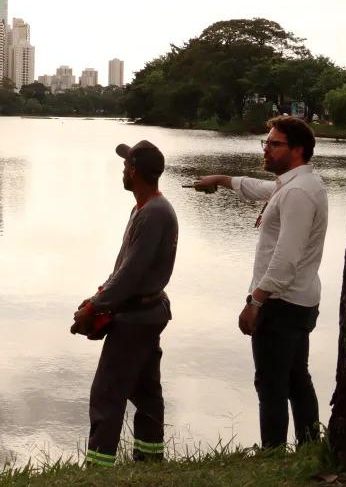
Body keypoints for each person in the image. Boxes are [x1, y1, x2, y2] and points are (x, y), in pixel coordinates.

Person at [193, 115, 328, 449]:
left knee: (271, 385)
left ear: (297, 150)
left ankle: (272, 455)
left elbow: (286, 258)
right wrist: (223, 179)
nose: (266, 149)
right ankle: (309, 449)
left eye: (274, 144)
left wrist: (255, 301)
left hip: (281, 303)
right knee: (297, 379)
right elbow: (260, 189)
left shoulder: (298, 194)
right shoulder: (296, 185)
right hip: (298, 300)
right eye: (265, 142)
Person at [75, 140, 179, 467]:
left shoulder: (154, 214)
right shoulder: (144, 209)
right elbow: (124, 268)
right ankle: (149, 459)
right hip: (144, 311)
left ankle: (98, 465)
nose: (122, 170)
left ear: (134, 171)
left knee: (107, 392)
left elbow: (131, 275)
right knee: (146, 390)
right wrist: (99, 296)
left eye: (126, 165)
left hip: (137, 316)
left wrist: (94, 308)